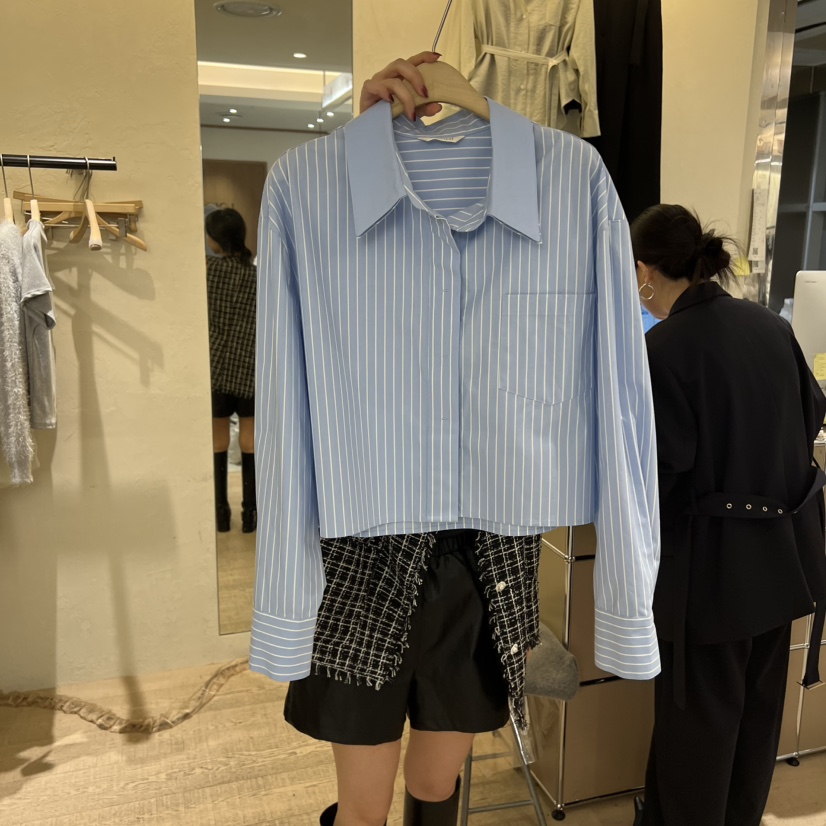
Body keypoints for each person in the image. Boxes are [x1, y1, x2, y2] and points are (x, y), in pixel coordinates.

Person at [632, 204, 826, 826]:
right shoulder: (770, 326)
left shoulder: (661, 349)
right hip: (783, 564)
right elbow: (810, 416)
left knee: (697, 739)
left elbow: (660, 472)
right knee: (754, 730)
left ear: (645, 272)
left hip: (708, 578)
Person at [205, 207, 257, 534]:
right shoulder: (257, 276)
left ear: (215, 240)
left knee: (217, 440)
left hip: (215, 369)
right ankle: (250, 515)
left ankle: (220, 516)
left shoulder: (207, 271)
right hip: (250, 368)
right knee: (250, 440)